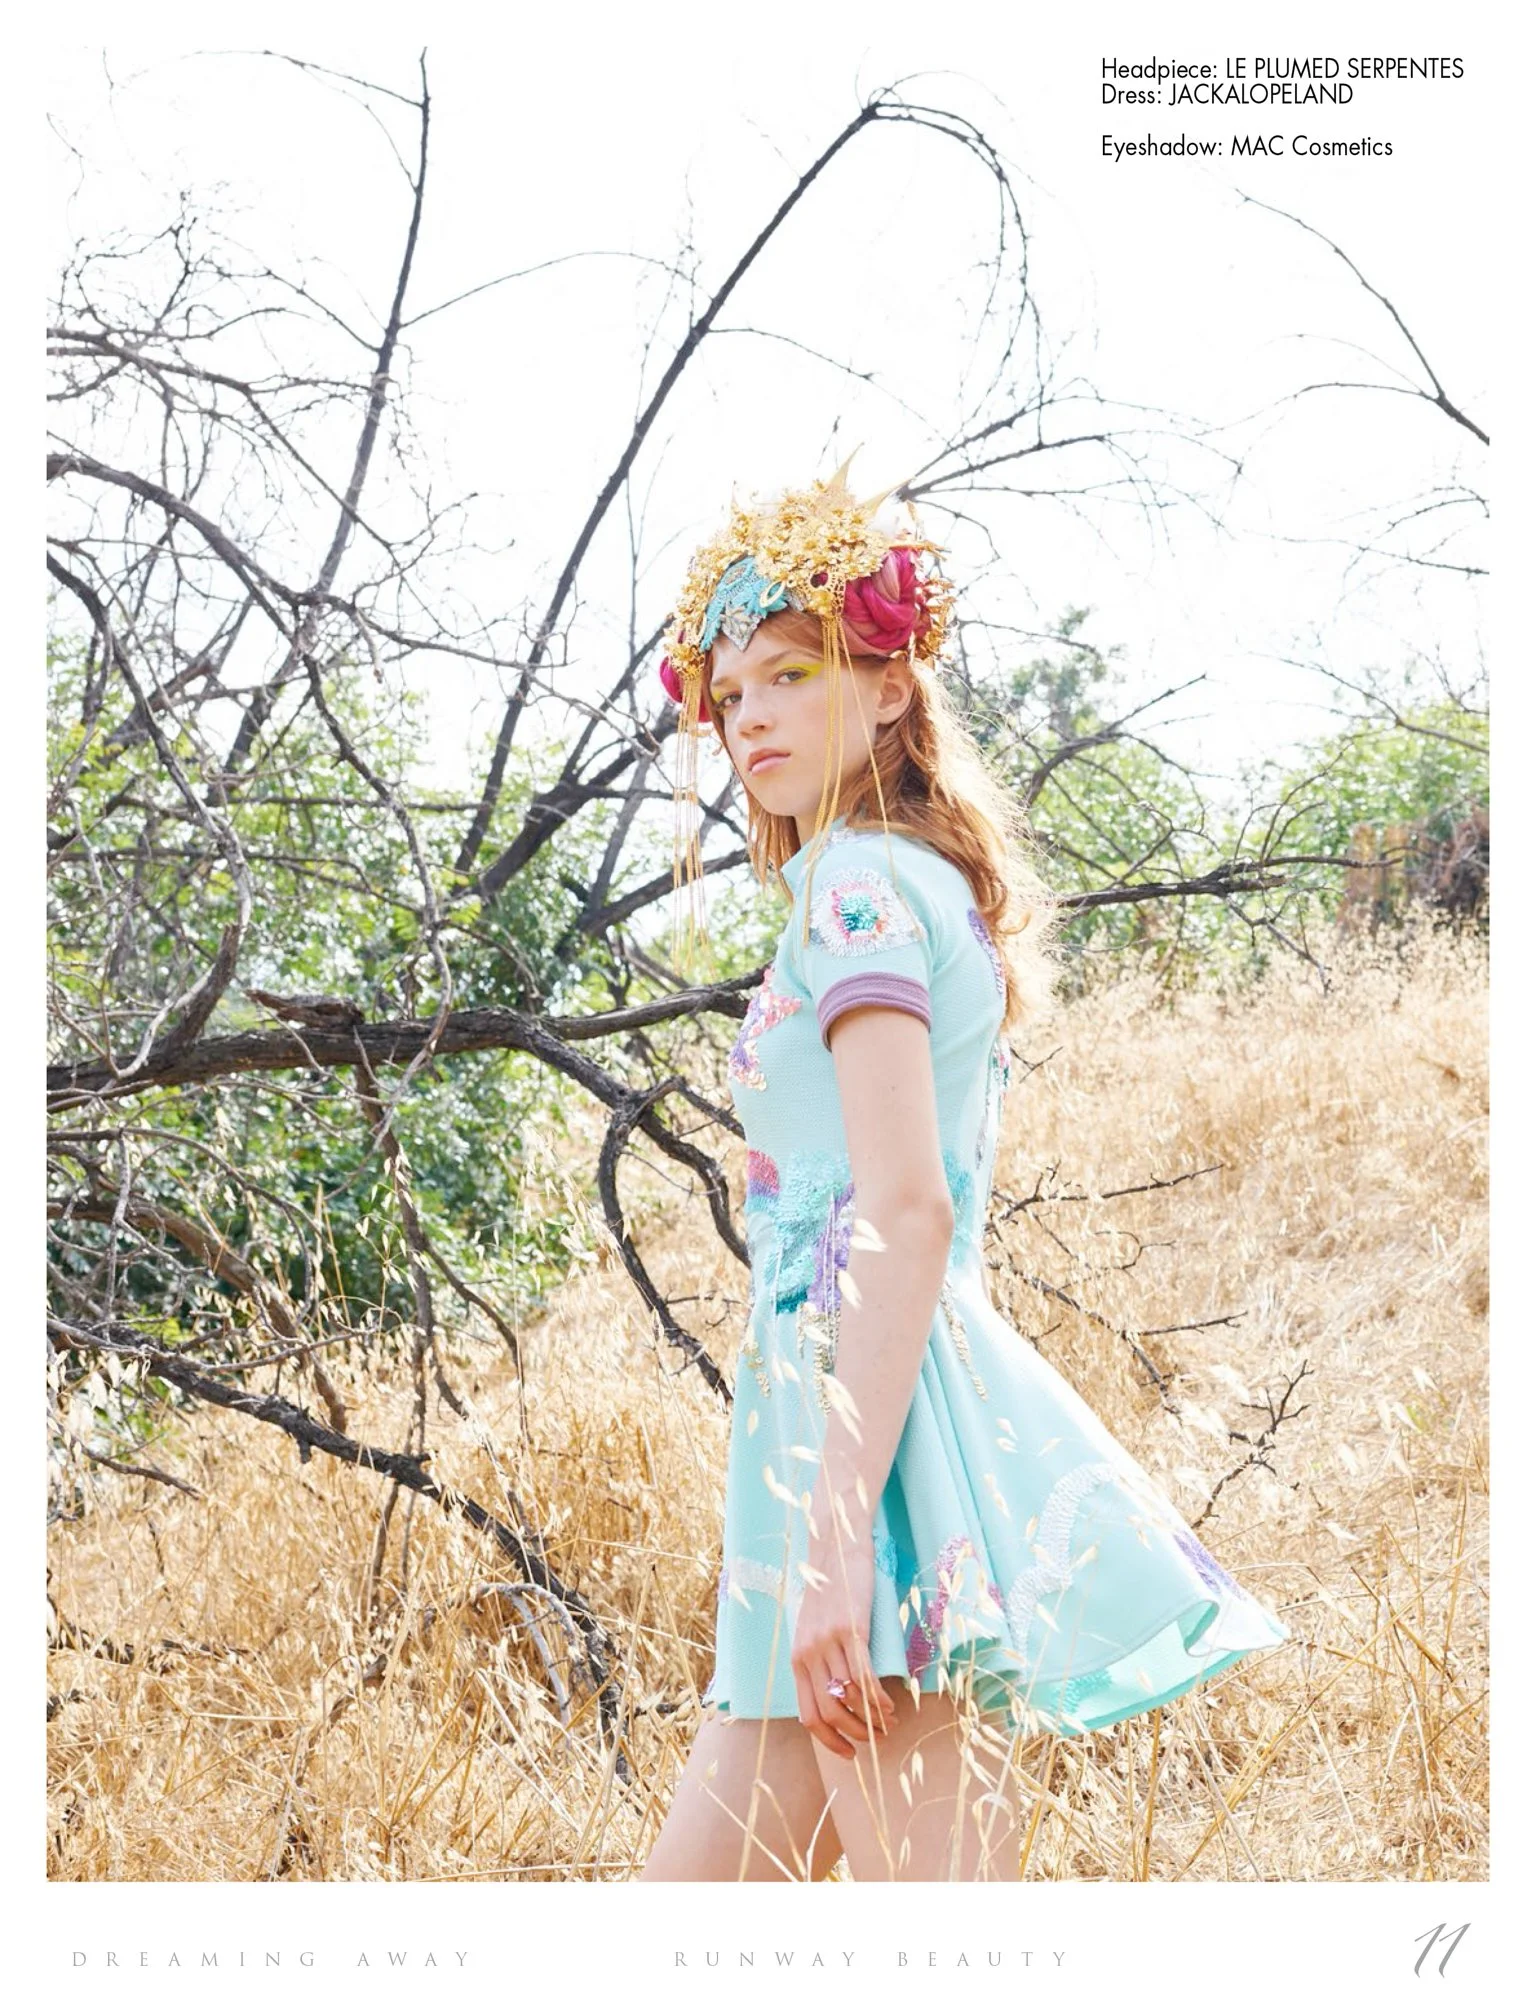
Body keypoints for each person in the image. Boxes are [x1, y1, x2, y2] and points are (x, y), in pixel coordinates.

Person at [639, 462, 1288, 1883]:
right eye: (730, 690)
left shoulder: (859, 883)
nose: (749, 713)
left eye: (791, 674)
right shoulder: (887, 879)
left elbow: (907, 1205)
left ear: (885, 691)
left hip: (871, 1445)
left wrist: (831, 1538)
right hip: (831, 1421)